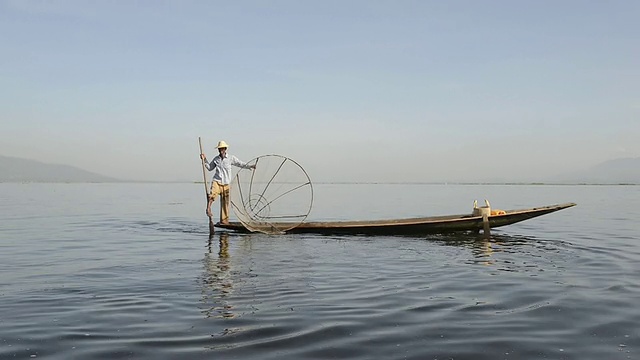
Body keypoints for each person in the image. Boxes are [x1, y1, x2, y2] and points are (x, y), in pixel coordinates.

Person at [200, 140, 255, 224]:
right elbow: (209, 168)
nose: (221, 150)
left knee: (225, 203)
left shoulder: (231, 158)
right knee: (212, 195)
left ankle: (224, 220)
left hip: (227, 184)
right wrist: (204, 159)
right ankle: (208, 208)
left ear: (225, 149)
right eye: (220, 149)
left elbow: (240, 163)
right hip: (217, 181)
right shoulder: (216, 159)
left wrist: (249, 166)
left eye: (222, 149)